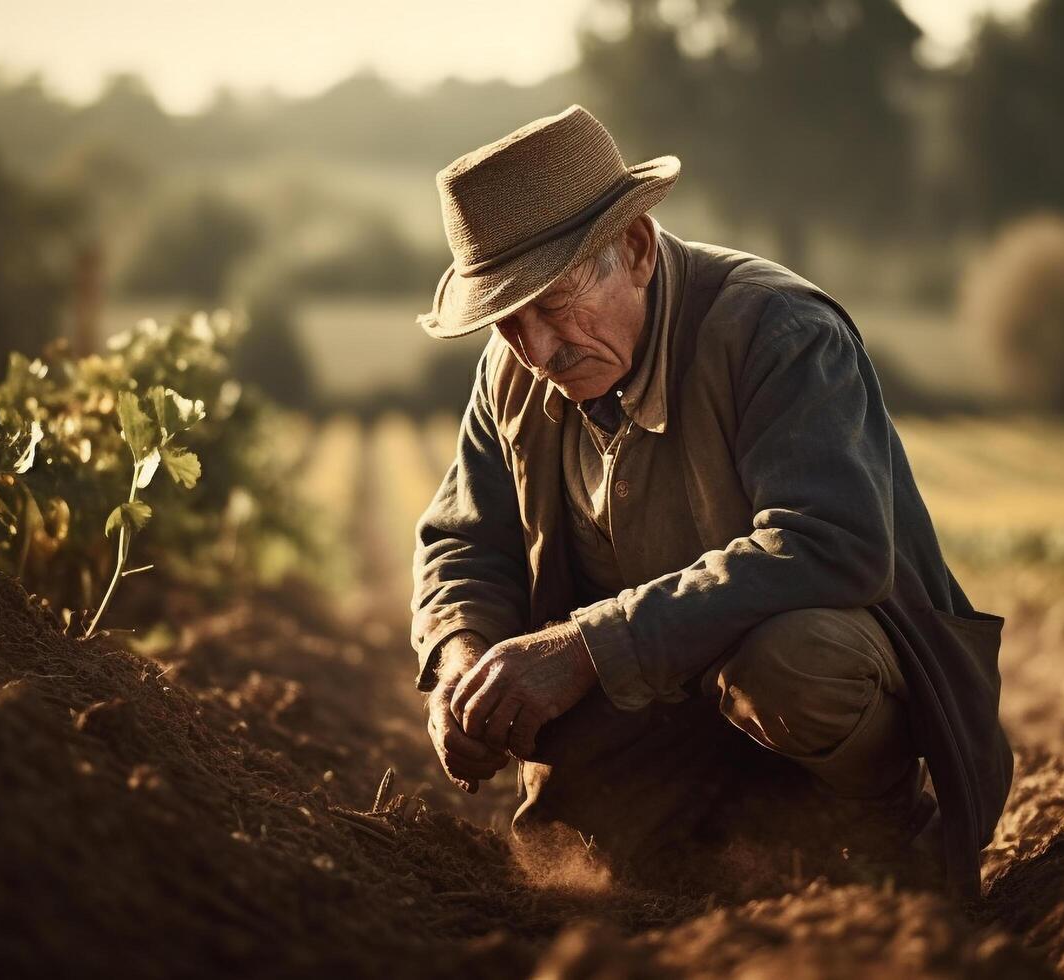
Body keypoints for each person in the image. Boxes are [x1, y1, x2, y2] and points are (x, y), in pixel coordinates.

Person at [410, 105, 1011, 899]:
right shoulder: (512, 369)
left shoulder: (777, 330)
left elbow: (832, 541)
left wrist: (585, 647)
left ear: (634, 249)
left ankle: (886, 831)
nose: (537, 350)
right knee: (588, 863)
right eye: (507, 323)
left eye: (553, 307)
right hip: (652, 693)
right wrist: (461, 664)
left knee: (794, 664)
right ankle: (718, 836)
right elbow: (465, 542)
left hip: (807, 675)